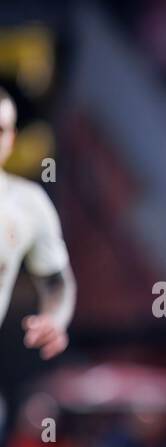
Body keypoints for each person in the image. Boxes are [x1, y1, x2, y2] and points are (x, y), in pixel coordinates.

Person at [0, 87, 76, 361]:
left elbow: (56, 281)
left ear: (12, 139)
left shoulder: (28, 205)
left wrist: (54, 319)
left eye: (0, 130)